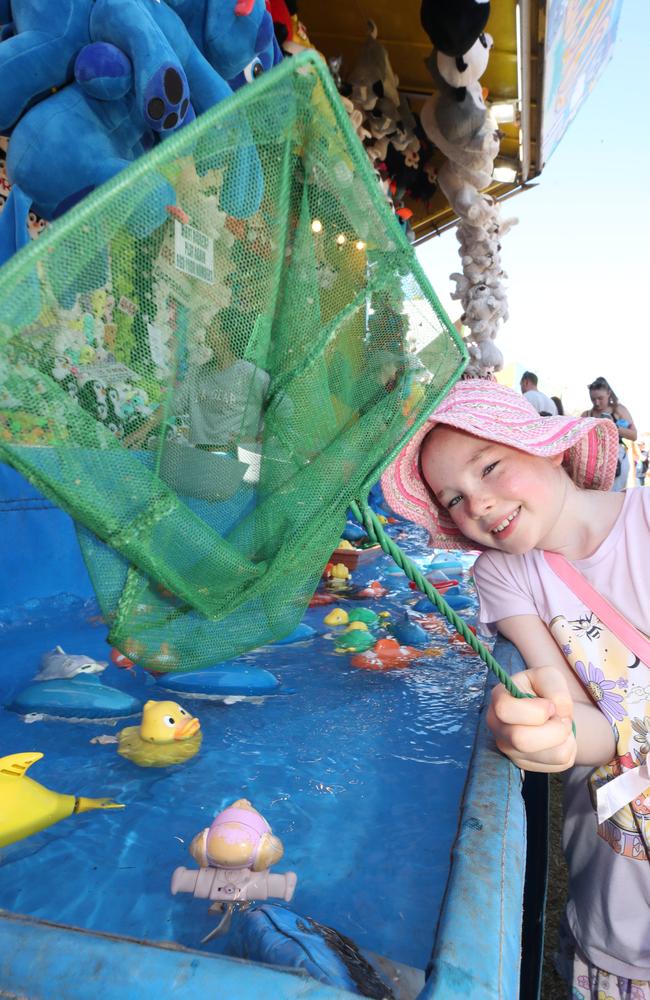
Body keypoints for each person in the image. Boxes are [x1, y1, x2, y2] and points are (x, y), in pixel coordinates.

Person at [381, 379, 650, 999]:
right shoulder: (503, 574)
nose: (476, 504)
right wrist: (547, 733)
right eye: (453, 499)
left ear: (549, 447)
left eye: (491, 466)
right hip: (621, 894)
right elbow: (589, 720)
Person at [582, 377, 637, 492]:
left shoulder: (618, 410)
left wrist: (613, 426)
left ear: (609, 393)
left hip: (616, 459)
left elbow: (634, 435)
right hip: (592, 460)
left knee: (613, 497)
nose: (596, 402)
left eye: (600, 398)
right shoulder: (587, 414)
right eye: (593, 399)